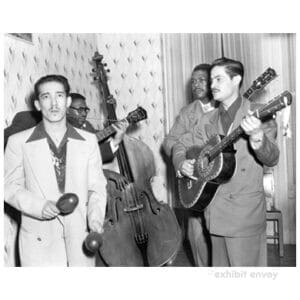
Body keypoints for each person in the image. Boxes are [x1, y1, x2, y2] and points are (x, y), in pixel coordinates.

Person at [178, 57, 279, 266]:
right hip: (214, 213)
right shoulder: (207, 119)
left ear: (236, 80)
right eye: (210, 80)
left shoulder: (260, 113)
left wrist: (257, 137)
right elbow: (181, 145)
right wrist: (182, 163)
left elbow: (272, 157)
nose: (211, 85)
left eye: (218, 79)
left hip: (244, 215)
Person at [4, 74, 107, 266]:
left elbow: (96, 187)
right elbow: (8, 186)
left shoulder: (89, 140)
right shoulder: (18, 142)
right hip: (38, 242)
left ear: (68, 101)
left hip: (79, 240)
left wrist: (95, 219)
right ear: (37, 104)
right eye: (45, 96)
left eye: (59, 95)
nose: (53, 103)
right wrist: (38, 206)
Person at [162, 64, 215, 266]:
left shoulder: (224, 107)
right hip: (195, 182)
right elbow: (169, 141)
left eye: (201, 79)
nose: (196, 84)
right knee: (195, 232)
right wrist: (181, 162)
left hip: (221, 182)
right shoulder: (187, 112)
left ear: (213, 81)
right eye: (193, 81)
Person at [67, 92, 129, 162]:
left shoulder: (86, 125)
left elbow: (102, 134)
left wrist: (111, 111)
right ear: (67, 110)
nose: (84, 114)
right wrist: (115, 141)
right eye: (80, 110)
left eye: (85, 110)